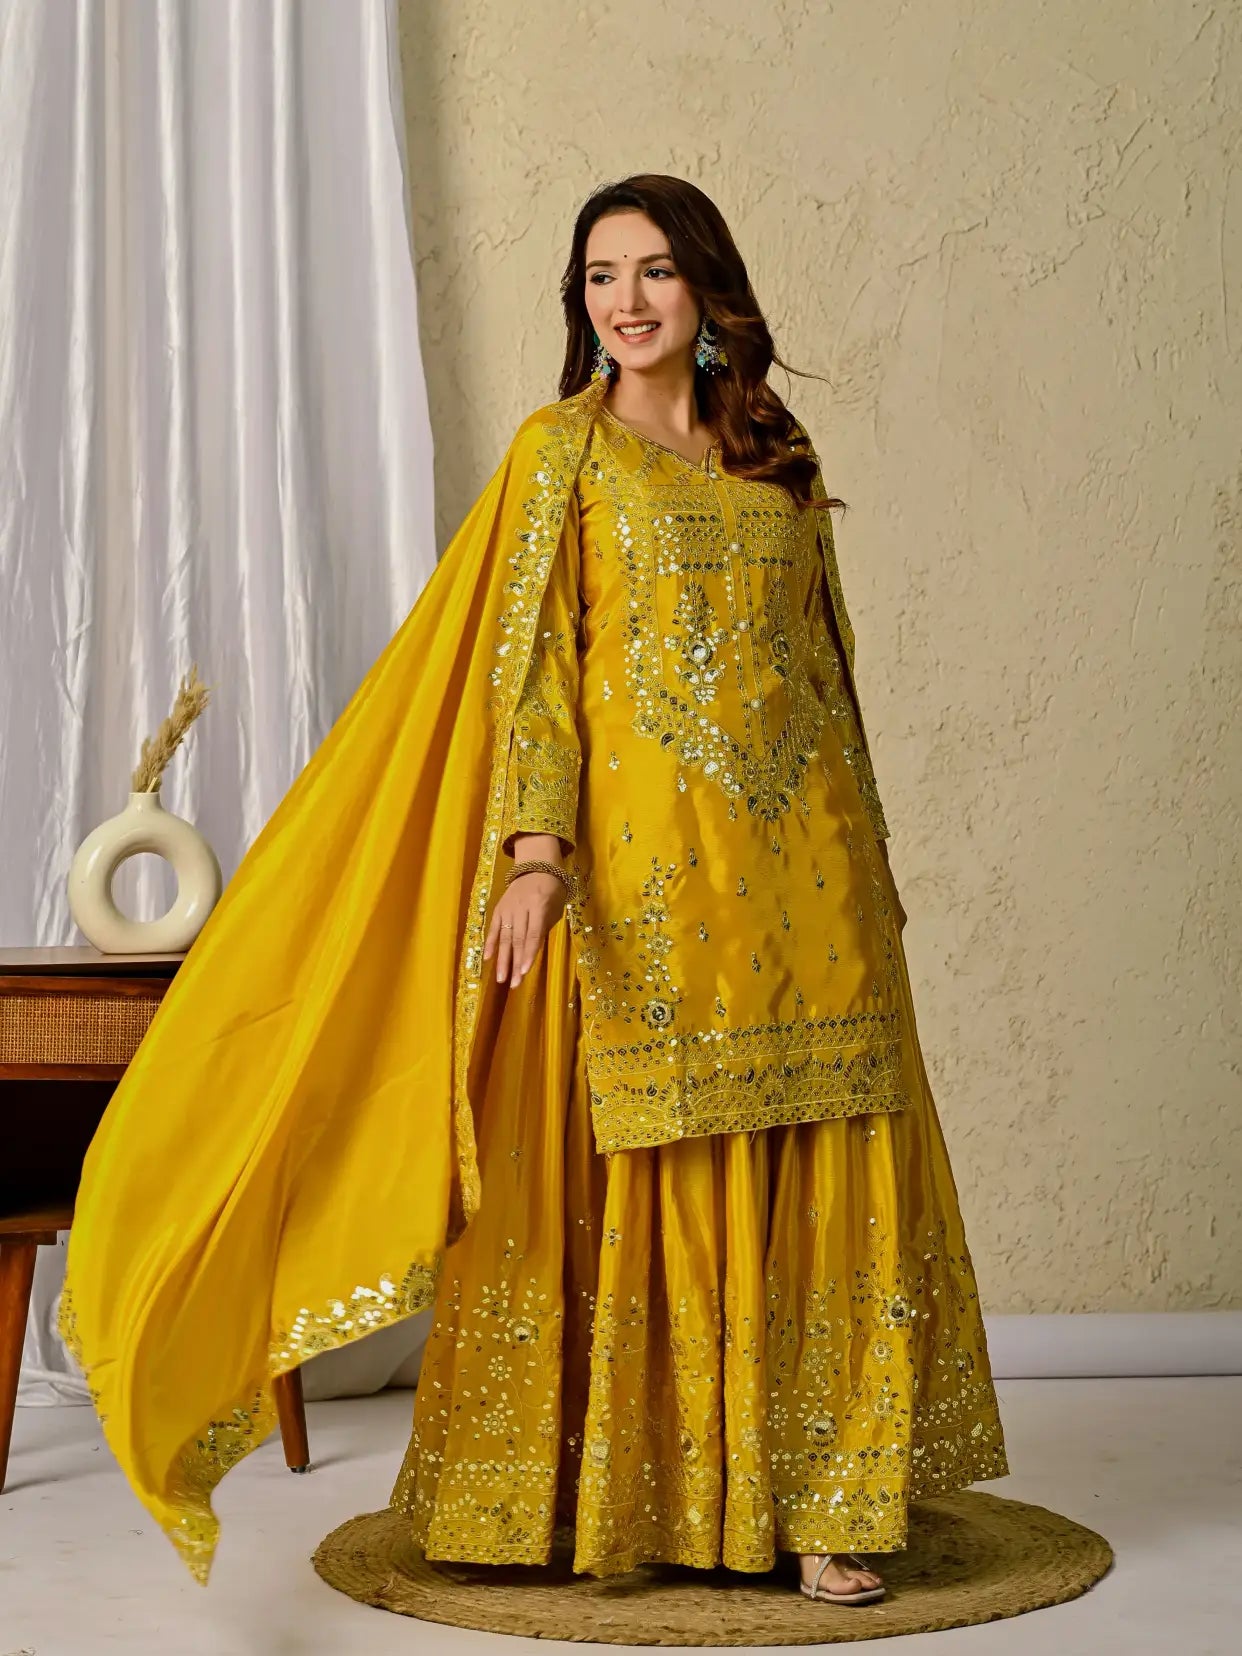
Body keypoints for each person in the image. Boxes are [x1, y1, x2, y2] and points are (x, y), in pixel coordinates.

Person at [60, 174, 1008, 1604]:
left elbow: (828, 670)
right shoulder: (561, 454)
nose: (625, 301)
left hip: (810, 884)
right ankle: (617, 1496)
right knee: (659, 1160)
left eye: (653, 271)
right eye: (599, 277)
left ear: (707, 290)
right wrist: (536, 859)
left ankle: (822, 1504)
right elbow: (538, 678)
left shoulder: (776, 453)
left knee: (821, 1174)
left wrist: (869, 855)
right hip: (645, 886)